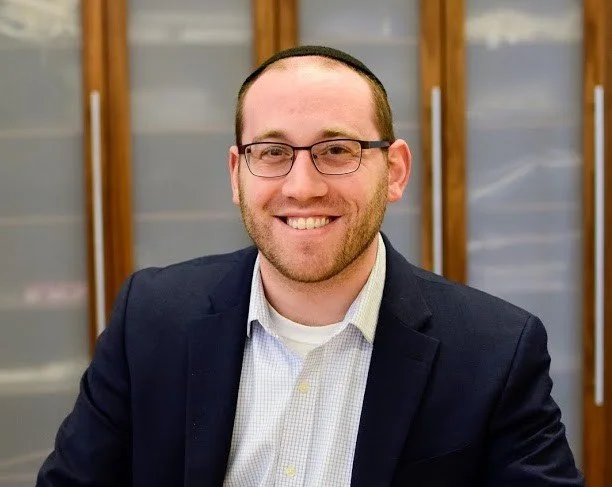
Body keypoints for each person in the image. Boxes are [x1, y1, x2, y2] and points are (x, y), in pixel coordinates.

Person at [37, 45, 583, 487]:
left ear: (394, 171)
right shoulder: (149, 320)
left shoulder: (497, 350)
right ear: (236, 174)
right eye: (272, 152)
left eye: (338, 150)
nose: (302, 187)